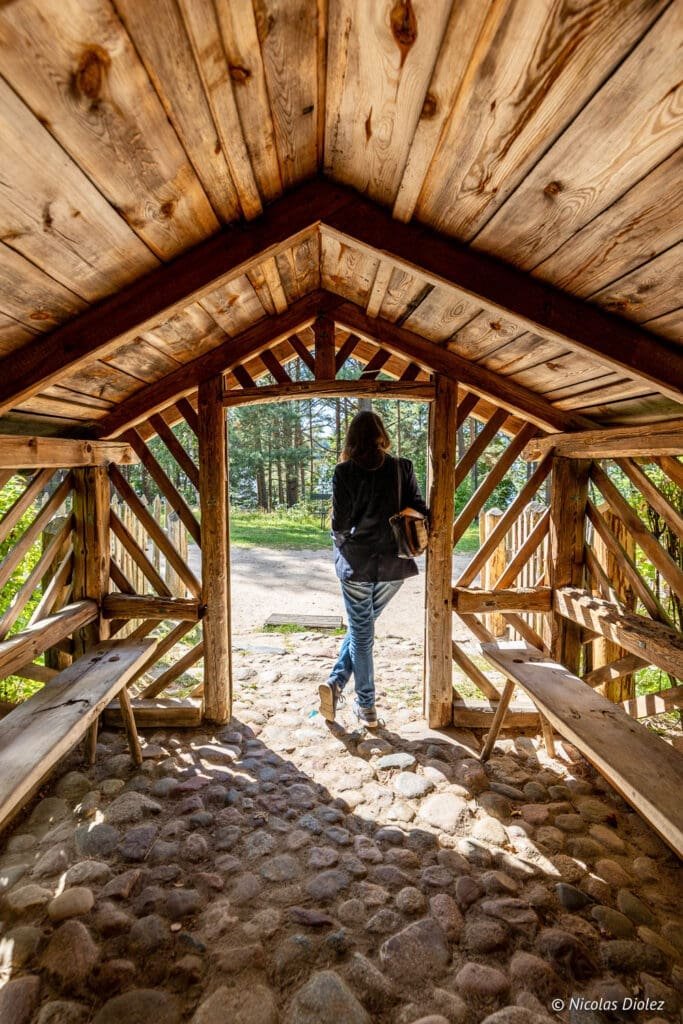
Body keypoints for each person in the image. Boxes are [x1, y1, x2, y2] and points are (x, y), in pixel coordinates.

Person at [318, 410, 429, 729]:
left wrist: (338, 542)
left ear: (352, 438)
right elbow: (421, 511)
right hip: (395, 565)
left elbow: (340, 525)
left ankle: (366, 706)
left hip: (357, 566)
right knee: (361, 629)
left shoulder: (344, 472)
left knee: (362, 633)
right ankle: (336, 683)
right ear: (382, 434)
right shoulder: (401, 467)